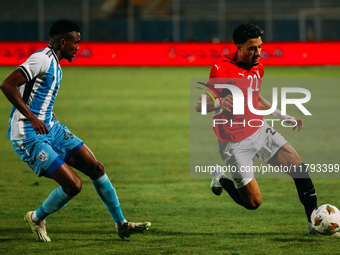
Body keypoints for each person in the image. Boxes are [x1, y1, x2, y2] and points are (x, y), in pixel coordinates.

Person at [0, 19, 150, 242]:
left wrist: (52, 121)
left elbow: (42, 99)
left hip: (52, 128)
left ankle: (121, 224)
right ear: (62, 42)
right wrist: (31, 118)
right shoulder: (41, 59)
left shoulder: (56, 64)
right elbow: (7, 84)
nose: (78, 47)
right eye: (75, 43)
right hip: (28, 135)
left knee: (96, 168)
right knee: (73, 185)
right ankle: (36, 217)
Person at [195, 23, 323, 235]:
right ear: (239, 47)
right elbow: (200, 105)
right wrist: (218, 103)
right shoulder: (222, 68)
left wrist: (284, 115)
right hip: (233, 141)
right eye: (252, 48)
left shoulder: (258, 67)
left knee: (299, 170)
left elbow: (255, 97)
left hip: (259, 129)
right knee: (253, 203)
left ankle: (314, 225)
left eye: (260, 47)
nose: (258, 53)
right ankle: (221, 177)